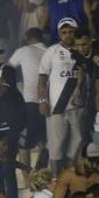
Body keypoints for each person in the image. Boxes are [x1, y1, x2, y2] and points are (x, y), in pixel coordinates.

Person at [39, 17, 86, 171]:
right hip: (57, 105)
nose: (68, 35)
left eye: (71, 32)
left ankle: (72, 176)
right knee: (55, 146)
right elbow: (42, 77)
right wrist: (42, 100)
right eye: (64, 32)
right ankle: (54, 179)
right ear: (59, 34)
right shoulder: (51, 51)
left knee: (77, 143)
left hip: (78, 105)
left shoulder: (83, 49)